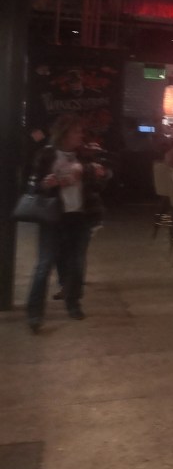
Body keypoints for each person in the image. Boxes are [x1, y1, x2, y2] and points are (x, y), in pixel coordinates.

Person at [26, 114, 111, 332]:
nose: (80, 135)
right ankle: (35, 313)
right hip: (53, 217)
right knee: (44, 265)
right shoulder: (47, 155)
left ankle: (73, 303)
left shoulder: (85, 155)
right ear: (64, 134)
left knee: (77, 263)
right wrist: (45, 184)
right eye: (76, 131)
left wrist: (96, 173)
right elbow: (32, 186)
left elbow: (103, 179)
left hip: (81, 216)